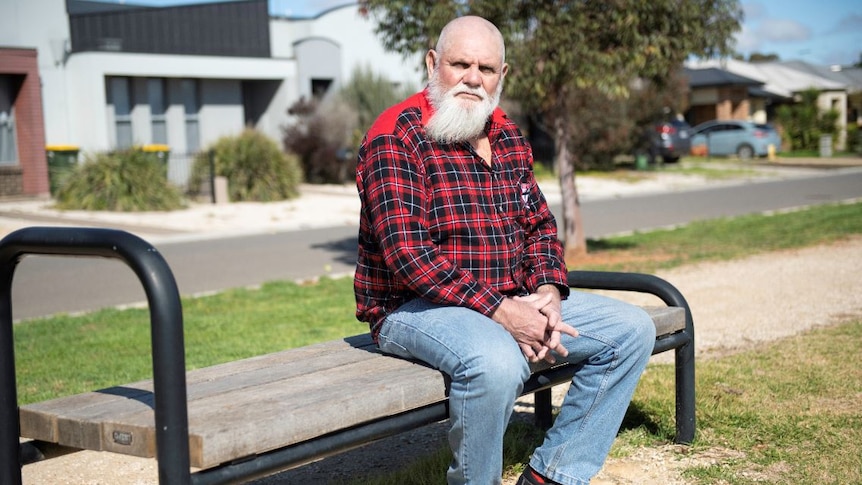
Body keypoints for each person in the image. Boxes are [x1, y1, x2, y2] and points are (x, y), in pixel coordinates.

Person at [353, 15, 655, 485]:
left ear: (503, 75)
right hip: (410, 307)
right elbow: (408, 256)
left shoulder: (506, 134)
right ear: (433, 63)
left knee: (632, 329)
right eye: (460, 64)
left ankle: (552, 475)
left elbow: (538, 225)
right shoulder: (396, 135)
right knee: (495, 361)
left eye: (487, 69)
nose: (474, 78)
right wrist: (502, 311)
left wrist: (549, 292)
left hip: (506, 297)